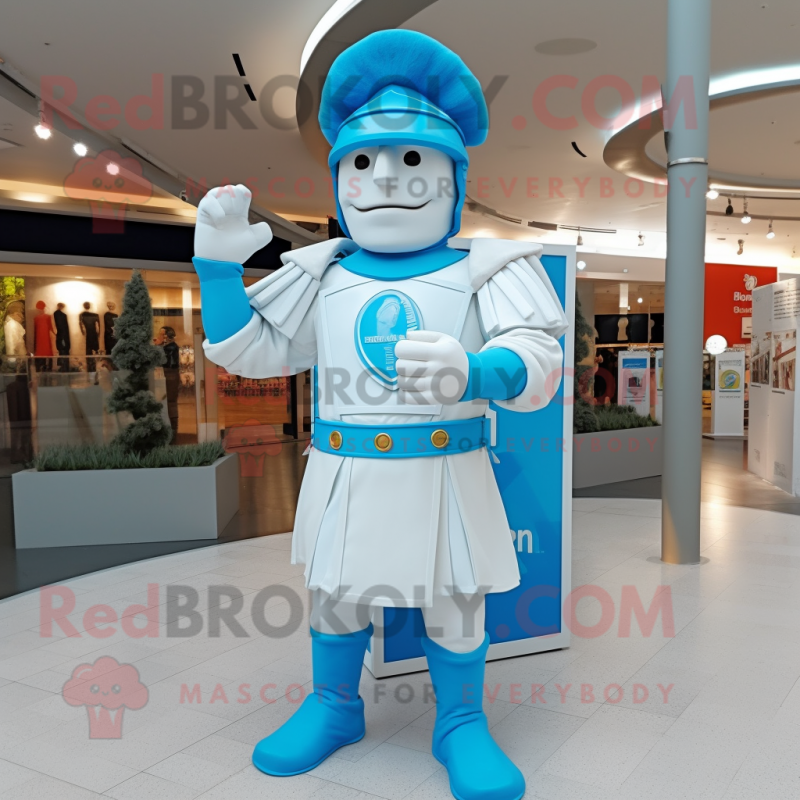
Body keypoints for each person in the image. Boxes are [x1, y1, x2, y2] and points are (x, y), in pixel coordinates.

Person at [192, 30, 566, 800]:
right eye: (362, 162)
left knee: (455, 598)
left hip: (446, 471)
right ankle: (334, 705)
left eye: (413, 158)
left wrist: (474, 369)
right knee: (335, 593)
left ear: (453, 179)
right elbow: (249, 349)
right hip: (346, 472)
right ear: (340, 183)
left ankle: (460, 721)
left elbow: (537, 361)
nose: (387, 176)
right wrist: (219, 271)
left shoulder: (486, 269)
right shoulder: (321, 274)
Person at [154, 325, 180, 437]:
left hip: (170, 374)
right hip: (168, 374)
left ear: (167, 336)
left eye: (161, 334)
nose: (159, 336)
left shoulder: (171, 347)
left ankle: (173, 426)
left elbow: (163, 360)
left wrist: (158, 346)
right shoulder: (167, 347)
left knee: (171, 400)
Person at [32, 300, 55, 372]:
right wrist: (55, 334)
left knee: (40, 351)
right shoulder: (48, 317)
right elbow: (51, 328)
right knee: (47, 351)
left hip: (39, 337)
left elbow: (35, 330)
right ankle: (48, 367)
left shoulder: (36, 318)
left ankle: (40, 366)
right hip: (45, 337)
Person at [80, 302, 101, 371]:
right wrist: (98, 334)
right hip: (93, 333)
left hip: (88, 334)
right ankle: (93, 366)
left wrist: (83, 333)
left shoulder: (82, 315)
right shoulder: (95, 315)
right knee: (95, 349)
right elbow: (98, 327)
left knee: (89, 350)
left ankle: (90, 365)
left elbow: (82, 326)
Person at [54, 302, 71, 371]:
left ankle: (62, 365)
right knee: (64, 351)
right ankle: (65, 366)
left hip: (60, 336)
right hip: (64, 336)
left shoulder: (56, 314)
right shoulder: (63, 315)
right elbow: (64, 327)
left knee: (61, 351)